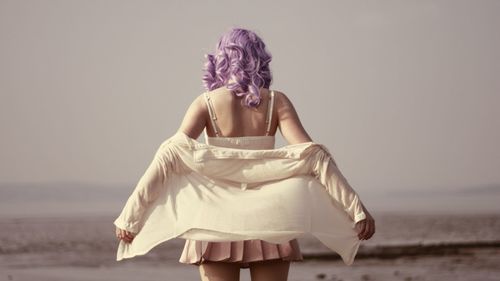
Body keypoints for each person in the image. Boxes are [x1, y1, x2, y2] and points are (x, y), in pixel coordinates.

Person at [115, 27, 375, 281]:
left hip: (215, 216)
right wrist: (356, 210)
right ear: (260, 60)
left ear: (221, 60)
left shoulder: (205, 103)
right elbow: (313, 156)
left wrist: (130, 217)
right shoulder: (276, 101)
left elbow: (169, 155)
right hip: (270, 214)